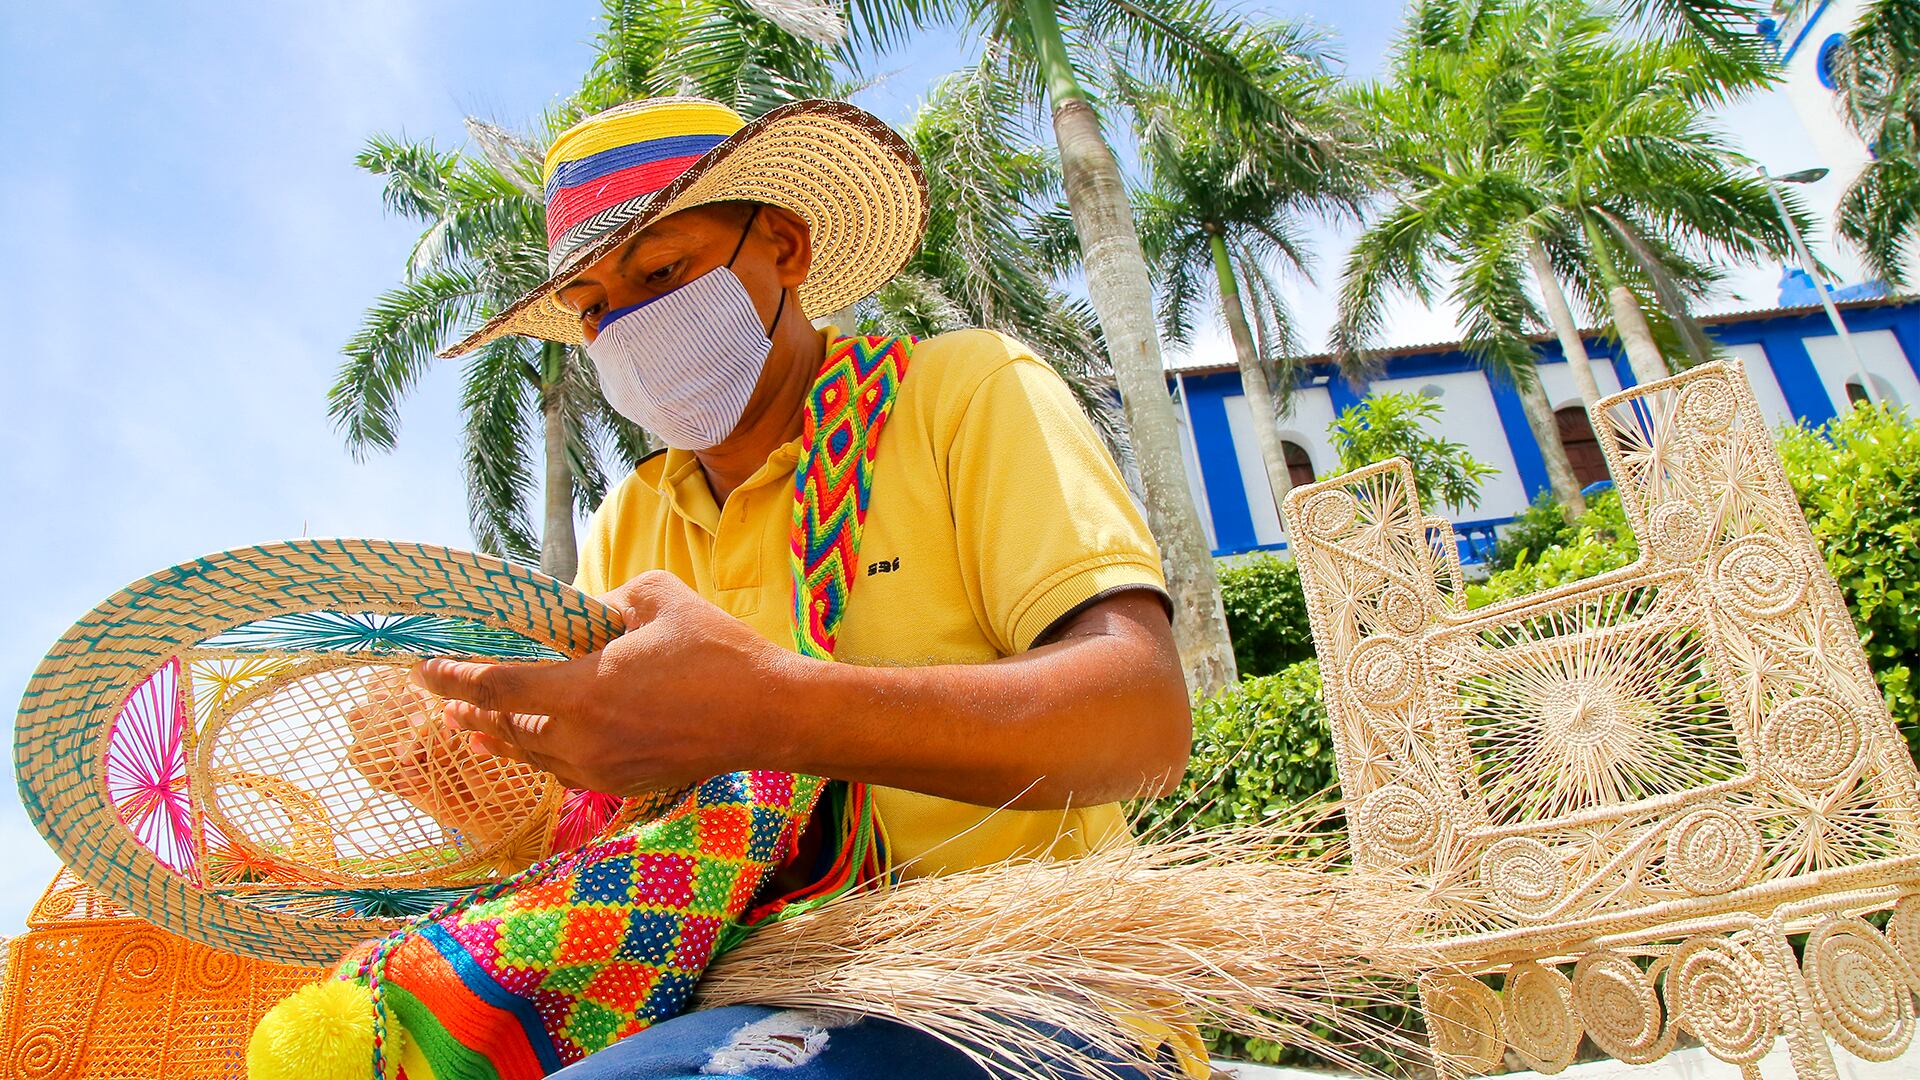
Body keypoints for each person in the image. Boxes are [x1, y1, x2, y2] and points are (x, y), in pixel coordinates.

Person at [418, 95, 1197, 1079]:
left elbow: (1142, 723)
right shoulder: (631, 521)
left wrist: (776, 709)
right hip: (746, 1000)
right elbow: (585, 816)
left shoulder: (961, 394)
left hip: (1038, 996)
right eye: (595, 308)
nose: (629, 326)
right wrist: (463, 766)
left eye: (662, 272)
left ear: (783, 245)